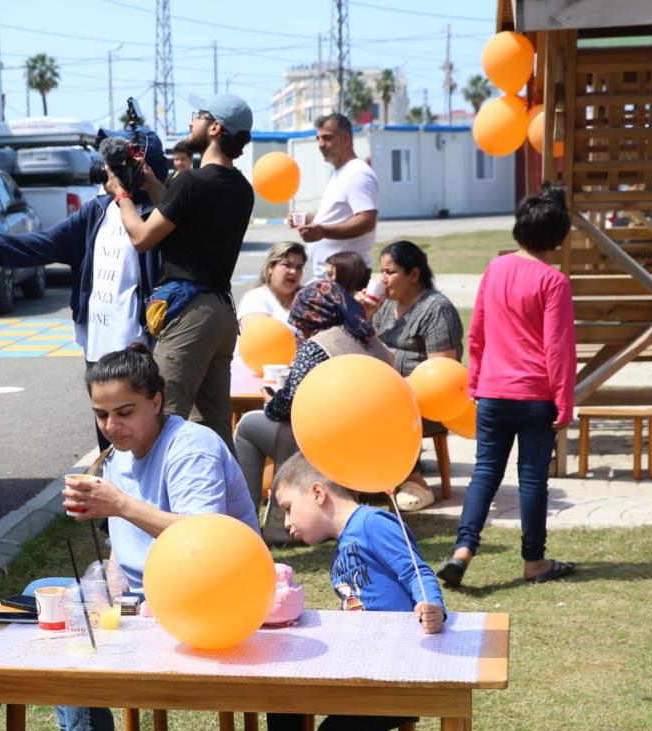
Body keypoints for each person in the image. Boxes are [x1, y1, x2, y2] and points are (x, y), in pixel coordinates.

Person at [23, 344, 257, 731]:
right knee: (44, 593)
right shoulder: (116, 454)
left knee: (73, 612)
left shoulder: (191, 447)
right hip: (142, 592)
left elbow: (206, 539)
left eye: (124, 411)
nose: (112, 426)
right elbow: (125, 552)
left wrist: (119, 504)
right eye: (102, 414)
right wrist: (105, 578)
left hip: (211, 594)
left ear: (156, 400)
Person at [264, 452, 443, 731]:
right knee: (284, 699)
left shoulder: (373, 522)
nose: (287, 523)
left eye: (288, 509)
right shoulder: (347, 539)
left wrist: (433, 607)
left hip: (399, 674)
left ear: (317, 493)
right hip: (368, 668)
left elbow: (417, 570)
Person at [0, 135, 170, 449]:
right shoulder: (97, 211)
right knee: (109, 433)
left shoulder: (159, 215)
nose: (110, 175)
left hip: (139, 345)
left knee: (142, 436)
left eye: (119, 168)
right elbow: (48, 243)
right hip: (98, 345)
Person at [438, 185, 576, 589]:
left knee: (485, 473)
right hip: (536, 396)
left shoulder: (495, 269)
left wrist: (477, 382)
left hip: (493, 393)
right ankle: (534, 561)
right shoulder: (554, 281)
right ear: (558, 237)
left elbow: (477, 332)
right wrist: (565, 403)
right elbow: (558, 349)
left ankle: (462, 550)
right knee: (533, 479)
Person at [104, 93, 256, 452]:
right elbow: (189, 216)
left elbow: (142, 237)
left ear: (215, 128)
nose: (191, 123)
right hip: (220, 315)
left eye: (198, 116)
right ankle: (229, 506)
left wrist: (121, 194)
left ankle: (159, 506)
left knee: (163, 417)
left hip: (189, 315)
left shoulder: (191, 183)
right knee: (215, 426)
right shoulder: (241, 189)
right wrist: (154, 184)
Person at [233, 257, 390, 538]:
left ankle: (248, 521)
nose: (300, 330)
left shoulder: (317, 347)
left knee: (247, 426)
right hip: (372, 441)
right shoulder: (370, 339)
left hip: (326, 441)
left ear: (312, 315)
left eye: (301, 322)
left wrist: (271, 400)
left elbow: (287, 407)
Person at [372, 240, 465, 511]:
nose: (383, 279)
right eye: (382, 272)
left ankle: (413, 479)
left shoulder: (436, 309)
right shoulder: (386, 307)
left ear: (414, 274)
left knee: (383, 408)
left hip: (426, 401)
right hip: (386, 390)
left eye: (390, 272)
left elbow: (443, 369)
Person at [290, 113, 379, 278]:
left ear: (345, 139)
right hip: (333, 277)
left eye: (327, 138)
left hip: (347, 278)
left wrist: (323, 231)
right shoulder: (341, 172)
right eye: (318, 139)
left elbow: (367, 221)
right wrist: (312, 222)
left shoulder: (358, 173)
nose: (321, 144)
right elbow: (339, 218)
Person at [236, 241, 306, 331]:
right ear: (270, 267)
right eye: (287, 265)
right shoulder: (255, 298)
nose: (294, 272)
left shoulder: (308, 298)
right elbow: (259, 338)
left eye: (299, 267)